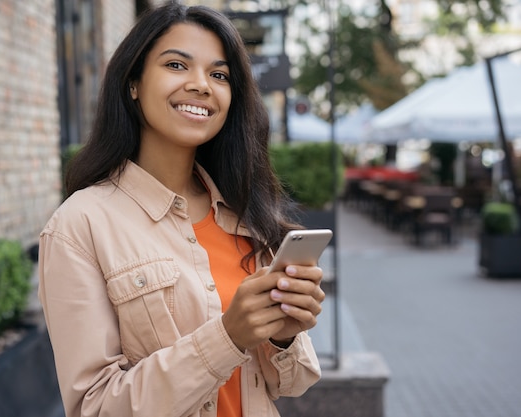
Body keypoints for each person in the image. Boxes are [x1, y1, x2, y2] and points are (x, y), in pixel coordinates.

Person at [38, 4, 325, 417]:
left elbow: (291, 383)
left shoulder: (245, 215)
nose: (201, 85)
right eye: (177, 64)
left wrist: (282, 337)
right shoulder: (79, 225)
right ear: (133, 82)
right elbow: (95, 407)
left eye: (219, 74)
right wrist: (227, 337)